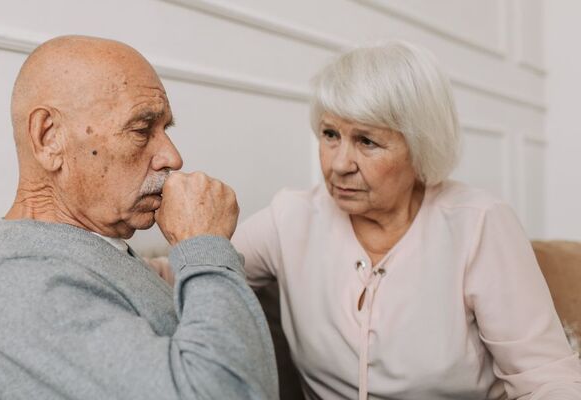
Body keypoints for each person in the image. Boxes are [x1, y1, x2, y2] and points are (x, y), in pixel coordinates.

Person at [0, 36, 278, 400]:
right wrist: (204, 245)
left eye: (165, 130)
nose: (172, 157)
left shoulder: (79, 254)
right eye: (142, 130)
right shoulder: (8, 288)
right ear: (50, 138)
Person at [231, 41, 581, 399]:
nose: (339, 164)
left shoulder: (479, 224)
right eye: (330, 135)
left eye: (367, 141)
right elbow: (188, 275)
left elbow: (546, 378)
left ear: (420, 148)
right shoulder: (291, 218)